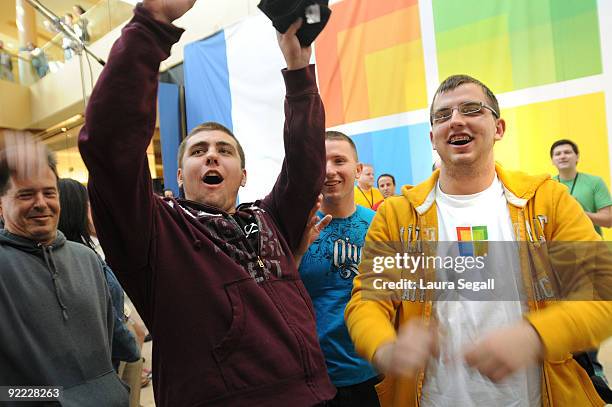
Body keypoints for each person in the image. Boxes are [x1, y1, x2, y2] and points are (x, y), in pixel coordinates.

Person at [78, 1, 335, 406]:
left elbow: (305, 167)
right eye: (198, 151)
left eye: (224, 150)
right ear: (179, 177)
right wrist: (152, 22)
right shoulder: (155, 233)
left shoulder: (270, 220)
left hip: (316, 395)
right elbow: (110, 146)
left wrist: (299, 69)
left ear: (244, 175)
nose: (212, 156)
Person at [345, 74, 612, 406]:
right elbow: (367, 302)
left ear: (499, 128)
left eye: (471, 109)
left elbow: (602, 292)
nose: (455, 120)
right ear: (432, 137)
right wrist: (385, 347)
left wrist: (535, 335)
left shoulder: (546, 202)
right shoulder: (399, 215)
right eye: (442, 116)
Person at [0, 133, 129, 406]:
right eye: (25, 194)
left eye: (49, 192)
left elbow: (114, 348)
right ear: (1, 203)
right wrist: (53, 397)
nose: (41, 203)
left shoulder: (88, 260)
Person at [296, 131, 379, 406]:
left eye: (339, 160)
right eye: (321, 162)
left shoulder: (381, 225)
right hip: (312, 377)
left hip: (374, 373)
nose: (329, 170)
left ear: (357, 170)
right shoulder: (295, 228)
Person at [57, 178, 141, 371]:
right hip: (101, 365)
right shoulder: (82, 259)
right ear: (77, 211)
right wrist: (131, 345)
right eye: (89, 206)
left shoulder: (81, 253)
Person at [550, 139, 612, 236]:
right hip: (558, 248)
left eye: (567, 152)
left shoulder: (595, 182)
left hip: (591, 247)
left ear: (577, 157)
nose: (562, 156)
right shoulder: (548, 185)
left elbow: (608, 220)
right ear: (552, 161)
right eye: (558, 154)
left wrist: (578, 212)